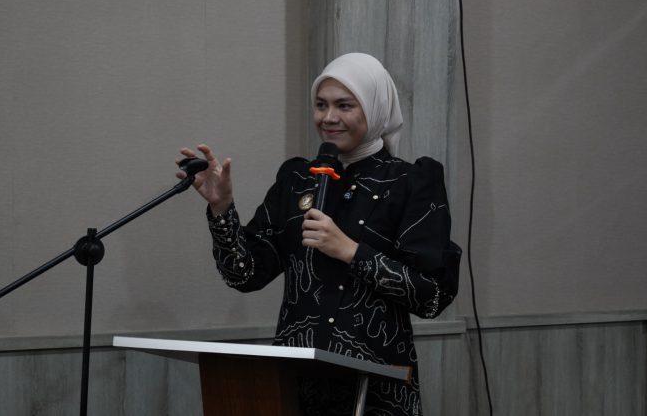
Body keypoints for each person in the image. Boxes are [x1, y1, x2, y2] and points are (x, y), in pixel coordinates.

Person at [176, 53, 461, 416]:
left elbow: (432, 296)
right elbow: (244, 274)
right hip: (295, 388)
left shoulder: (410, 182)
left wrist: (351, 251)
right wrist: (222, 209)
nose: (329, 117)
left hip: (375, 393)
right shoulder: (297, 179)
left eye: (345, 105)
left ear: (375, 108)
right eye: (321, 105)